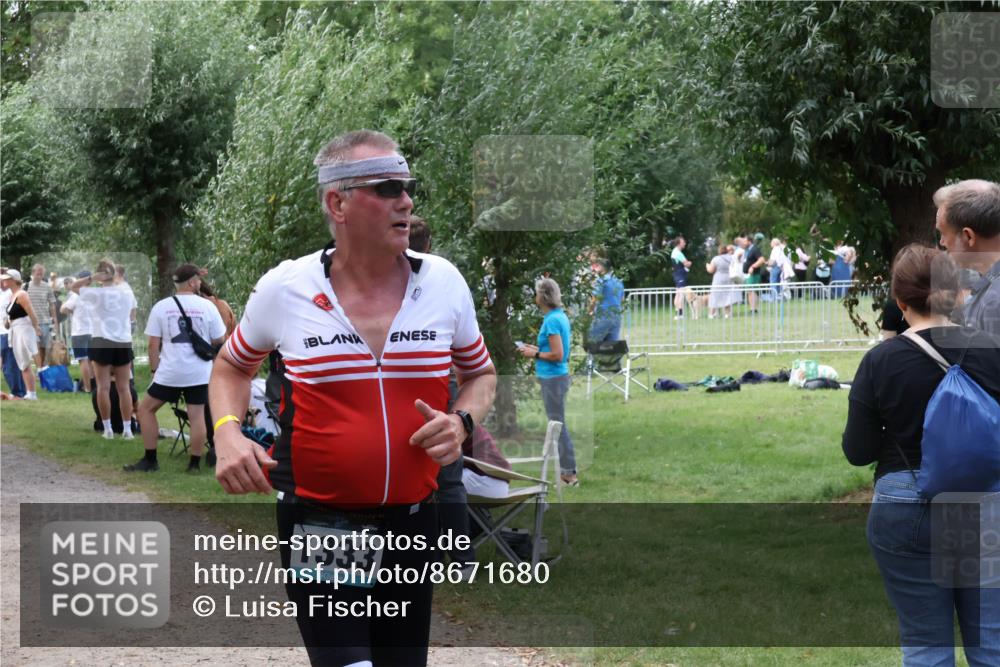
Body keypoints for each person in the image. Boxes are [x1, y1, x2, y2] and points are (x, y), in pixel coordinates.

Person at [209, 130, 496, 667]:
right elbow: (231, 365)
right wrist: (227, 432)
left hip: (412, 521)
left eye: (407, 187)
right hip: (325, 521)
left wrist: (461, 421)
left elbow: (481, 376)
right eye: (386, 187)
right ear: (336, 202)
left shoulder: (444, 283)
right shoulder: (286, 288)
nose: (405, 201)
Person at [842, 244, 1000, 666]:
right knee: (991, 642)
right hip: (984, 506)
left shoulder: (880, 362)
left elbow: (857, 452)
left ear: (899, 301)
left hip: (906, 505)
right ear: (959, 294)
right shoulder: (992, 351)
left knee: (926, 645)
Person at [126, 264, 226, 473]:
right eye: (198, 280)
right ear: (191, 282)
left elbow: (153, 344)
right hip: (199, 371)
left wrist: (155, 371)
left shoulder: (161, 306)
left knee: (146, 409)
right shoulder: (208, 307)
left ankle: (150, 460)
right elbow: (220, 340)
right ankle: (194, 465)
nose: (200, 283)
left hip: (170, 372)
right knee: (197, 415)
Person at [518, 277, 577, 487]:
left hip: (553, 379)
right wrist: (534, 349)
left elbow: (557, 354)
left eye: (536, 293)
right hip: (556, 377)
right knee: (558, 423)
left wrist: (534, 355)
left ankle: (569, 475)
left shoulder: (552, 320)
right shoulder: (558, 316)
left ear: (542, 296)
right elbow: (552, 351)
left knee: (557, 425)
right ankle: (566, 472)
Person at [933, 179, 1000, 337]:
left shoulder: (995, 300)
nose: (942, 242)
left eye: (943, 233)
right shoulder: (987, 288)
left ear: (968, 236)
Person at [88, 259, 138, 439]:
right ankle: (127, 429)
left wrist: (92, 278)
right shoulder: (126, 292)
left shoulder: (95, 293)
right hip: (123, 341)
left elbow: (73, 287)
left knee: (103, 387)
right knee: (124, 387)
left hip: (102, 340)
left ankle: (108, 429)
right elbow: (133, 315)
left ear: (100, 274)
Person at [1, 269, 42, 400]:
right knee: (22, 362)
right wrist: (7, 322)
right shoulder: (13, 295)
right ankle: (30, 393)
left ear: (14, 280)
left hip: (24, 329)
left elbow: (31, 312)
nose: (4, 281)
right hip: (15, 329)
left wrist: (36, 327)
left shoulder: (21, 294)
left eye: (6, 279)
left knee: (25, 360)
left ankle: (31, 392)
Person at [61, 270, 95, 392]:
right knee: (92, 361)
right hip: (94, 331)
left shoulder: (75, 296)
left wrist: (70, 309)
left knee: (83, 360)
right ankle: (94, 385)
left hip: (79, 332)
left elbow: (63, 309)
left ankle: (87, 388)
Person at [0, 269, 27, 397]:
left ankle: (18, 392)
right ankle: (20, 391)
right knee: (10, 363)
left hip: (9, 333)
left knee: (10, 363)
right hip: (4, 332)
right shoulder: (4, 294)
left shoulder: (15, 294)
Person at [26, 263, 57, 368]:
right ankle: (40, 369)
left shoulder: (47, 287)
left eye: (41, 274)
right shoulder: (26, 287)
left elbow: (52, 305)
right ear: (33, 273)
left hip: (45, 321)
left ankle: (43, 366)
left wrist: (55, 321)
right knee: (36, 346)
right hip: (30, 322)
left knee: (44, 347)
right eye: (38, 274)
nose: (40, 276)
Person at [588, 258, 624, 342]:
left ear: (603, 268)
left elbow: (594, 298)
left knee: (593, 344)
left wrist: (589, 312)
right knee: (612, 348)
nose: (594, 268)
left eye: (597, 265)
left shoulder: (601, 281)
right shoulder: (618, 282)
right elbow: (622, 300)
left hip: (603, 315)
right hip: (616, 317)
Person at [706, 244, 737, 319]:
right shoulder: (731, 258)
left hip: (718, 279)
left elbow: (711, 270)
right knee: (727, 297)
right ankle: (727, 314)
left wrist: (707, 266)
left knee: (714, 296)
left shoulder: (716, 259)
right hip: (729, 279)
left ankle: (711, 314)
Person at [743, 232, 766, 314]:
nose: (743, 243)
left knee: (751, 291)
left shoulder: (754, 249)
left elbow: (762, 260)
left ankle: (753, 309)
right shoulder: (748, 250)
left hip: (754, 274)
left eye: (745, 241)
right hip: (748, 275)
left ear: (749, 242)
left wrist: (753, 267)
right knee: (750, 291)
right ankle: (753, 309)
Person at [670, 236, 692, 319]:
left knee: (678, 294)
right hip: (680, 274)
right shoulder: (678, 253)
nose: (685, 243)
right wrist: (689, 263)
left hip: (677, 274)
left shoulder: (675, 251)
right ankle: (679, 314)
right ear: (679, 243)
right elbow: (686, 263)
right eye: (683, 242)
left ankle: (678, 313)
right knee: (681, 294)